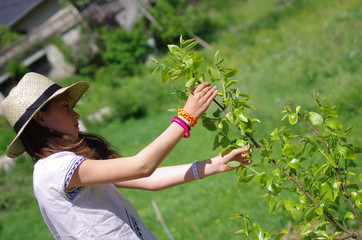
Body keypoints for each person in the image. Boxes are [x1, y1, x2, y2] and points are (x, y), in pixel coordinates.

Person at [1, 72, 252, 239]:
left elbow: (149, 179)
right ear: (40, 117)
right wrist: (186, 118)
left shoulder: (69, 164)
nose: (76, 115)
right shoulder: (54, 169)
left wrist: (215, 164)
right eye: (66, 108)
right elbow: (141, 166)